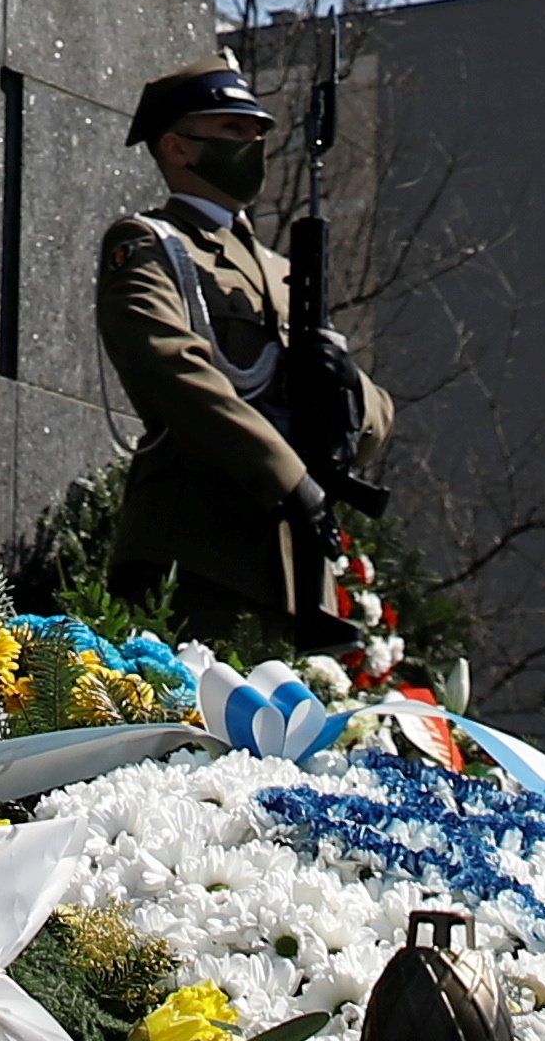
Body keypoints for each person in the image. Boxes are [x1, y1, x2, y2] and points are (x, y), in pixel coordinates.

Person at [93, 56, 386, 655]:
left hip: (294, 576)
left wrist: (347, 390)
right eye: (231, 130)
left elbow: (377, 414)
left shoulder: (281, 272)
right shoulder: (149, 245)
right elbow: (174, 371)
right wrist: (289, 479)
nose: (251, 142)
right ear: (176, 147)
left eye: (255, 131)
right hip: (199, 550)